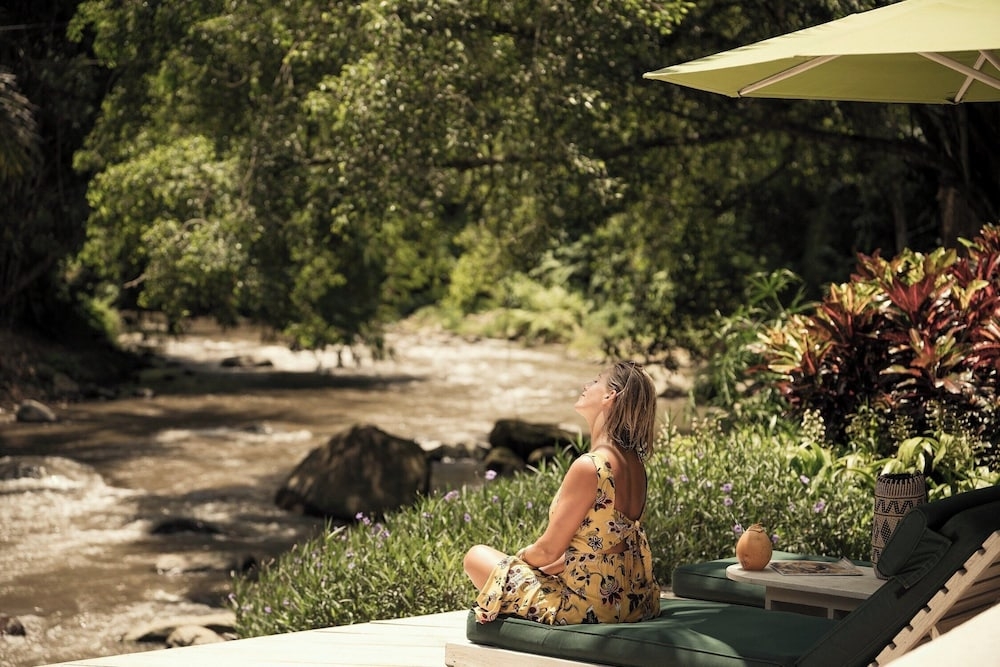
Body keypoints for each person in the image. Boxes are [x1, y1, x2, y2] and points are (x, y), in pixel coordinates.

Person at [463, 361, 660, 625]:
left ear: (609, 396)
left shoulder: (591, 466)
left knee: (476, 557)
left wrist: (517, 561)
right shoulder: (635, 464)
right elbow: (601, 545)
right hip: (635, 602)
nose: (586, 385)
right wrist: (544, 568)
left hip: (588, 608)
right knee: (530, 568)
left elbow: (548, 550)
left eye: (595, 381)